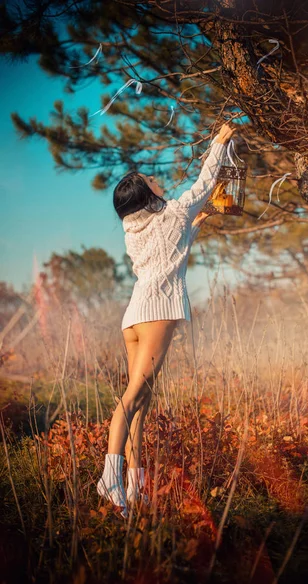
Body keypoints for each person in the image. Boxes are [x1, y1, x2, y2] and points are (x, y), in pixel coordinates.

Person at [96, 122, 236, 516]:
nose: (157, 180)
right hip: (157, 312)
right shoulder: (172, 212)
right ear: (147, 193)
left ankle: (136, 485)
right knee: (132, 399)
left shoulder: (133, 227)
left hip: (134, 316)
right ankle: (110, 478)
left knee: (142, 402)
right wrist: (219, 143)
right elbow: (206, 180)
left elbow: (170, 250)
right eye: (151, 180)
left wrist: (198, 221)